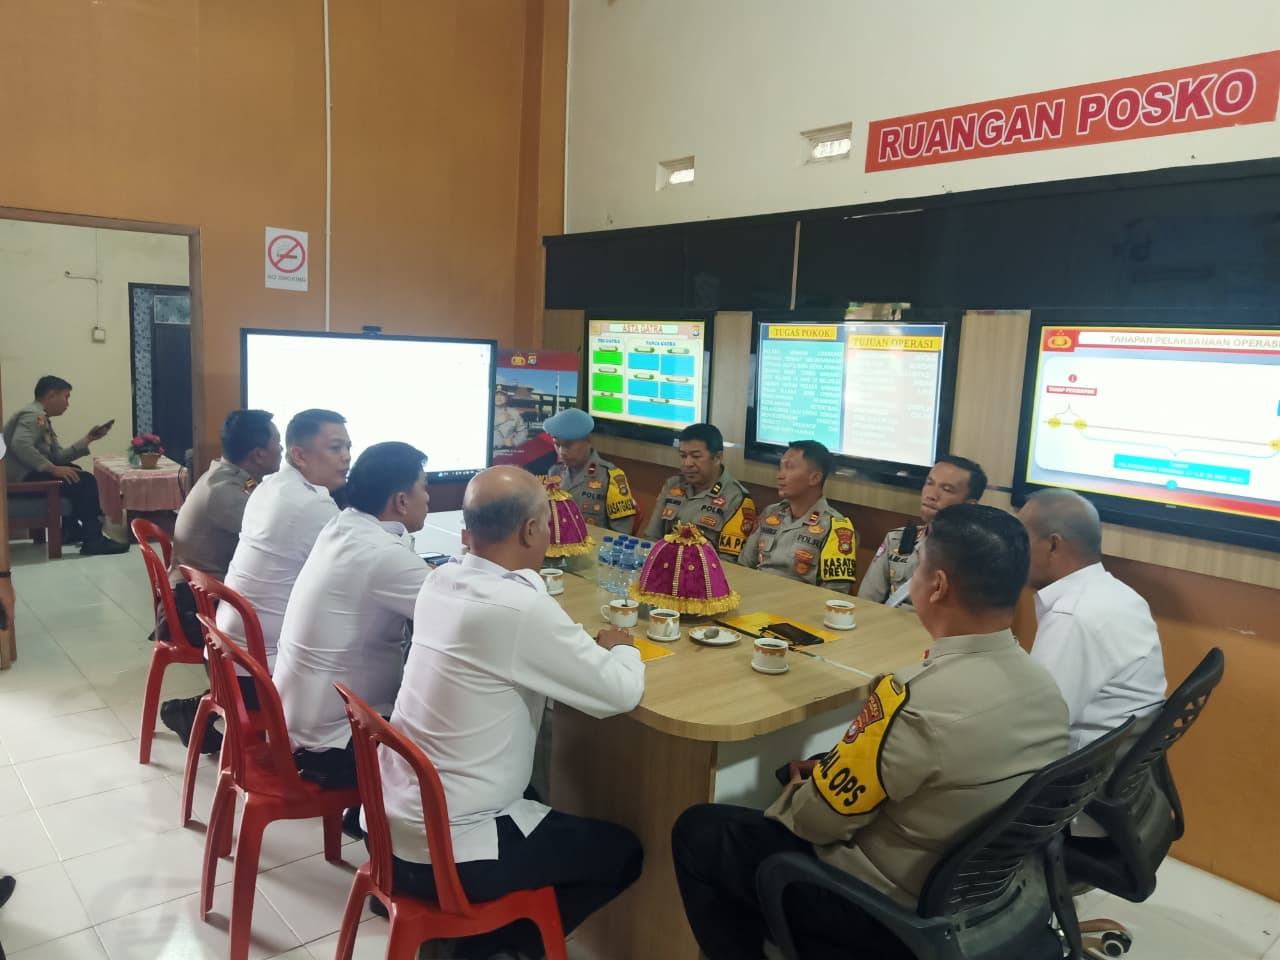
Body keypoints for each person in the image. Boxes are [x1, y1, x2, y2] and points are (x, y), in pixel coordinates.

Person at [672, 504, 1069, 960]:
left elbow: (816, 822)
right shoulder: (1046, 689)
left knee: (701, 832)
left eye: (919, 565)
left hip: (885, 913)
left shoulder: (914, 698)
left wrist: (802, 792)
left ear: (937, 585)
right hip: (984, 898)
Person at [380, 466, 644, 960]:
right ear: (530, 530)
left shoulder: (440, 580)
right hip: (448, 855)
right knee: (622, 853)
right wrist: (621, 647)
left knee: (537, 795)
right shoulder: (519, 610)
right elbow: (620, 693)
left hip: (388, 829)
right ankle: (493, 950)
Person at [160, 409, 349, 750]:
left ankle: (203, 710)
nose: (346, 457)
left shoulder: (263, 487)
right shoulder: (240, 493)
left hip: (221, 630)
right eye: (337, 448)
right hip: (193, 606)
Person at [274, 441, 432, 789]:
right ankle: (381, 817)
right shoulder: (381, 554)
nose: (428, 498)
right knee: (451, 742)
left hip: (299, 723)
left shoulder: (342, 525)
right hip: (335, 745)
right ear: (401, 501)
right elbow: (461, 615)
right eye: (424, 487)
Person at [1020, 488, 1167, 756]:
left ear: (1053, 545)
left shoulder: (1072, 617)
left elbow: (1032, 727)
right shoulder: (1121, 594)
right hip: (1120, 763)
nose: (1014, 551)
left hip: (1077, 770)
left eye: (1021, 539)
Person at [2, 375, 126, 555]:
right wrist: (52, 469)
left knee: (74, 471)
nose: (68, 403)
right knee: (85, 481)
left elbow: (57, 457)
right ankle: (93, 540)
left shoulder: (40, 416)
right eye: (66, 397)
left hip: (26, 475)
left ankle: (71, 530)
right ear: (52, 395)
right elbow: (20, 444)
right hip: (18, 481)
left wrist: (88, 439)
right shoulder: (34, 415)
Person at [858, 454, 987, 607]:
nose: (931, 495)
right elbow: (865, 602)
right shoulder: (896, 539)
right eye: (929, 483)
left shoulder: (977, 556)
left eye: (947, 489)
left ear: (969, 505)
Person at [738, 440, 857, 589]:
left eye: (789, 467)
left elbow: (836, 592)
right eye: (780, 467)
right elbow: (743, 566)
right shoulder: (770, 513)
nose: (780, 475)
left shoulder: (835, 526)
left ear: (815, 478)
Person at [642, 422, 755, 559]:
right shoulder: (673, 485)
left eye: (696, 456)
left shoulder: (736, 498)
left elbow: (728, 561)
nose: (687, 463)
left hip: (705, 570)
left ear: (717, 458)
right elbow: (652, 538)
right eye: (683, 456)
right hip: (665, 564)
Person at [544, 407, 636, 533]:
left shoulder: (611, 477)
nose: (562, 452)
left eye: (568, 445)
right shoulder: (554, 472)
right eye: (557, 444)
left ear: (588, 441)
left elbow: (621, 534)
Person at [492, 387, 528, 451]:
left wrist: (514, 442)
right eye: (496, 394)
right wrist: (496, 421)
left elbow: (523, 432)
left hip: (507, 452)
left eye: (502, 395)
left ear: (507, 398)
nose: (498, 397)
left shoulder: (514, 413)